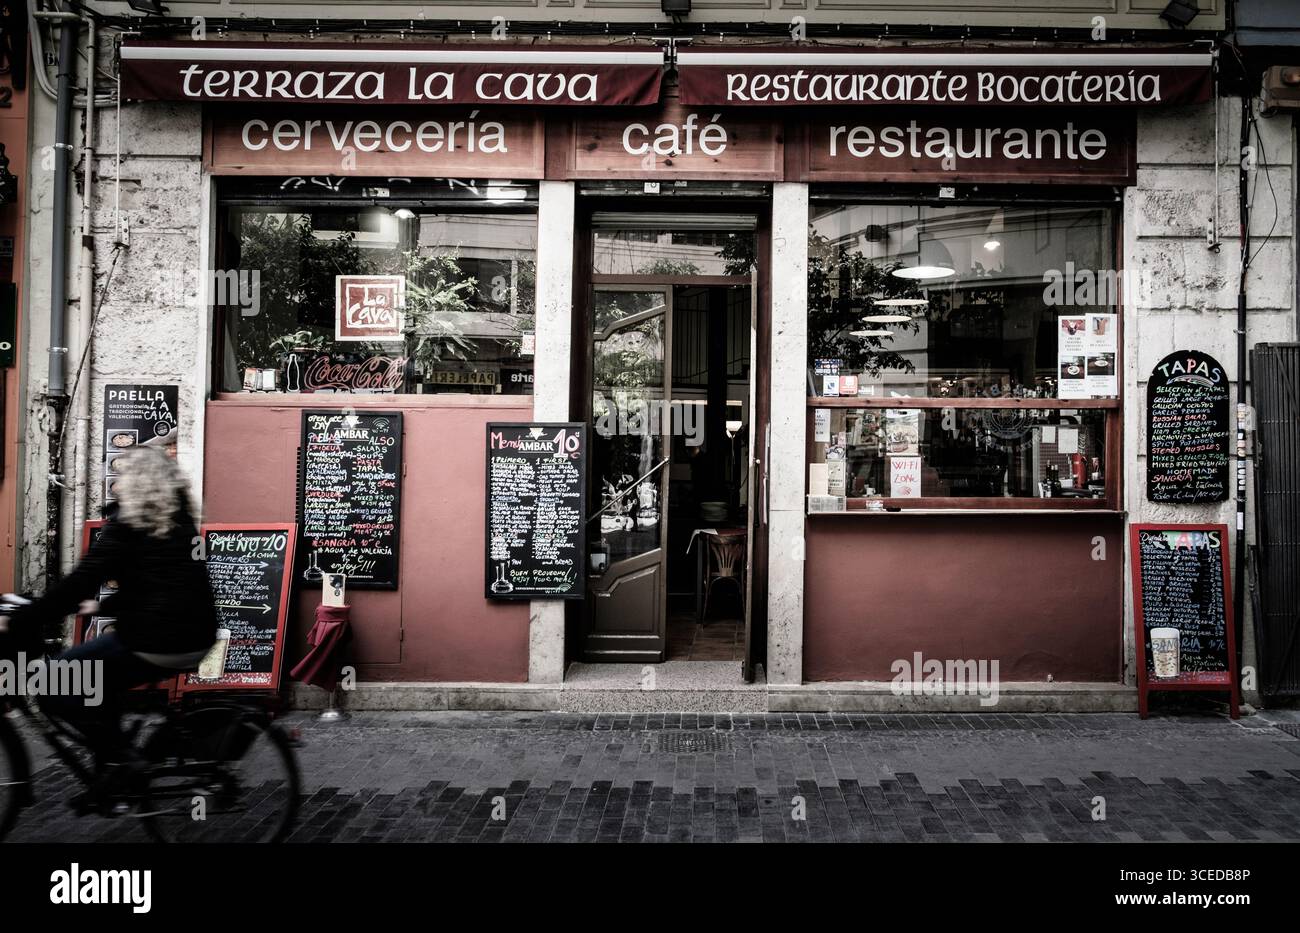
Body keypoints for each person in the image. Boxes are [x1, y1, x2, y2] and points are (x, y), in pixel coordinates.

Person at [5, 447, 217, 789]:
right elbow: (163, 586)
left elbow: (80, 583)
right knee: (100, 682)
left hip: (155, 639)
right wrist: (102, 608)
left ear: (136, 483)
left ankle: (123, 761)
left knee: (53, 682)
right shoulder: (179, 523)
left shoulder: (129, 524)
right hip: (194, 636)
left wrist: (25, 618)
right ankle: (114, 767)